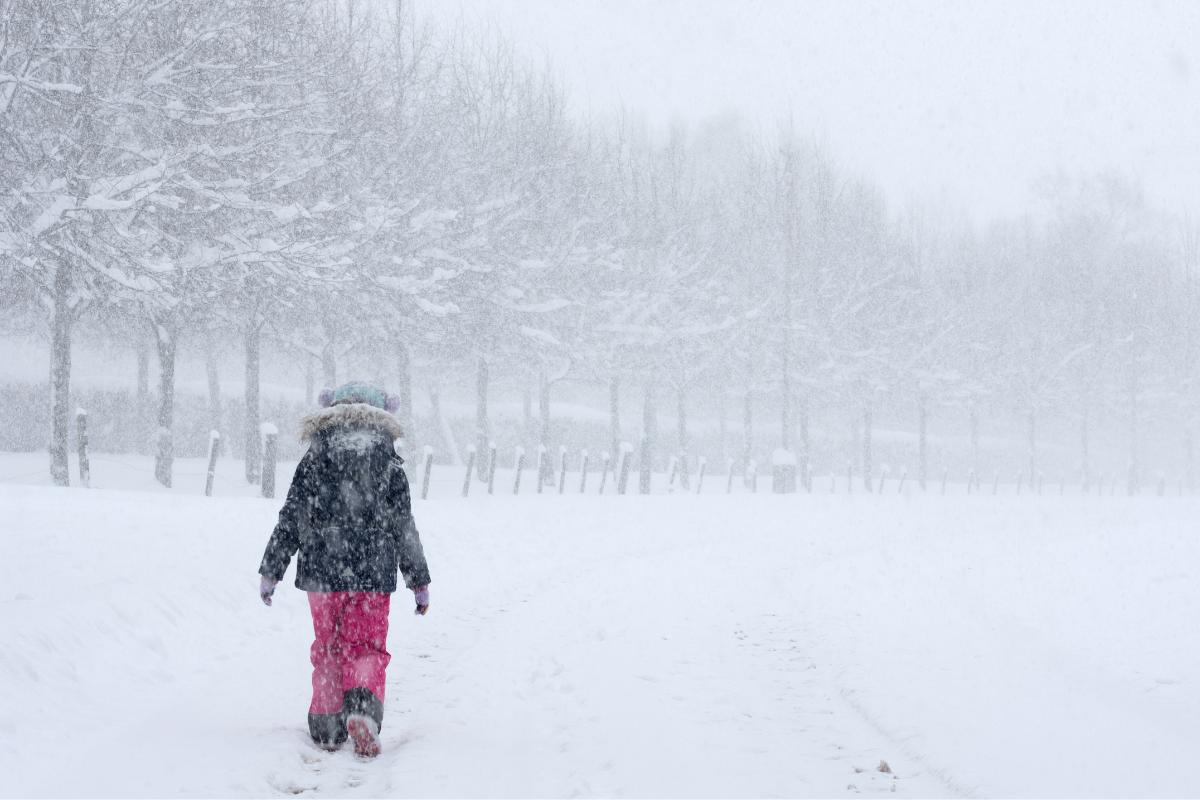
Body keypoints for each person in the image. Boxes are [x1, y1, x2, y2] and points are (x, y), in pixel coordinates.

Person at [258, 381, 431, 758]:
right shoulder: (388, 461)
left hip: (322, 571)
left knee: (328, 646)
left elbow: (292, 515)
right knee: (366, 646)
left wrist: (272, 569)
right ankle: (363, 711)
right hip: (372, 573)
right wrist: (418, 581)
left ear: (331, 411)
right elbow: (403, 525)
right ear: (382, 414)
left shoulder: (315, 457)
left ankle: (326, 723)